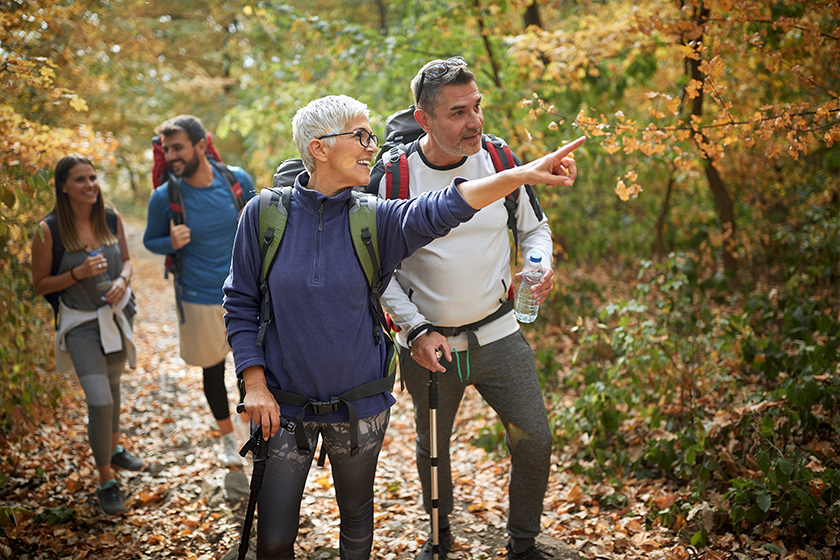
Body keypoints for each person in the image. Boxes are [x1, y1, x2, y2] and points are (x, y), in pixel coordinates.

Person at [222, 94, 582, 559]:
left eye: (371, 135)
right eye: (361, 136)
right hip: (282, 404)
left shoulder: (373, 216)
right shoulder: (265, 214)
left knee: (356, 523)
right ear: (319, 147)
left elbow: (445, 206)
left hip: (360, 404)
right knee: (273, 538)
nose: (373, 147)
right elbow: (240, 301)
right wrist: (254, 383)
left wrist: (521, 174)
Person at [367, 57, 574, 560]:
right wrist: (414, 330)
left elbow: (533, 229)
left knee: (535, 440)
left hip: (499, 333)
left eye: (477, 106)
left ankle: (523, 544)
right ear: (425, 119)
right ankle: (438, 539)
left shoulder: (501, 158)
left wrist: (539, 263)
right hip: (430, 347)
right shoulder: (393, 177)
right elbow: (375, 272)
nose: (475, 121)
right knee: (433, 450)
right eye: (458, 112)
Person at [31, 154, 144, 516]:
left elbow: (126, 261)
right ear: (63, 186)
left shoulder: (110, 216)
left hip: (115, 316)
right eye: (80, 179)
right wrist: (77, 274)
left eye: (93, 177)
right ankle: (106, 481)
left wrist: (123, 281)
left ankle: (112, 449)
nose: (90, 185)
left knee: (113, 388)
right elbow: (40, 284)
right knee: (99, 401)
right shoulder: (47, 230)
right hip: (79, 325)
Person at [143, 115, 256, 465]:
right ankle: (226, 438)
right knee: (212, 369)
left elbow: (264, 224)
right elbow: (151, 240)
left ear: (201, 146)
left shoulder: (237, 180)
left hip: (247, 293)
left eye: (178, 147)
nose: (171, 156)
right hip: (197, 295)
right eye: (167, 149)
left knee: (250, 368)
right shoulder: (164, 197)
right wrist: (170, 241)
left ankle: (246, 426)